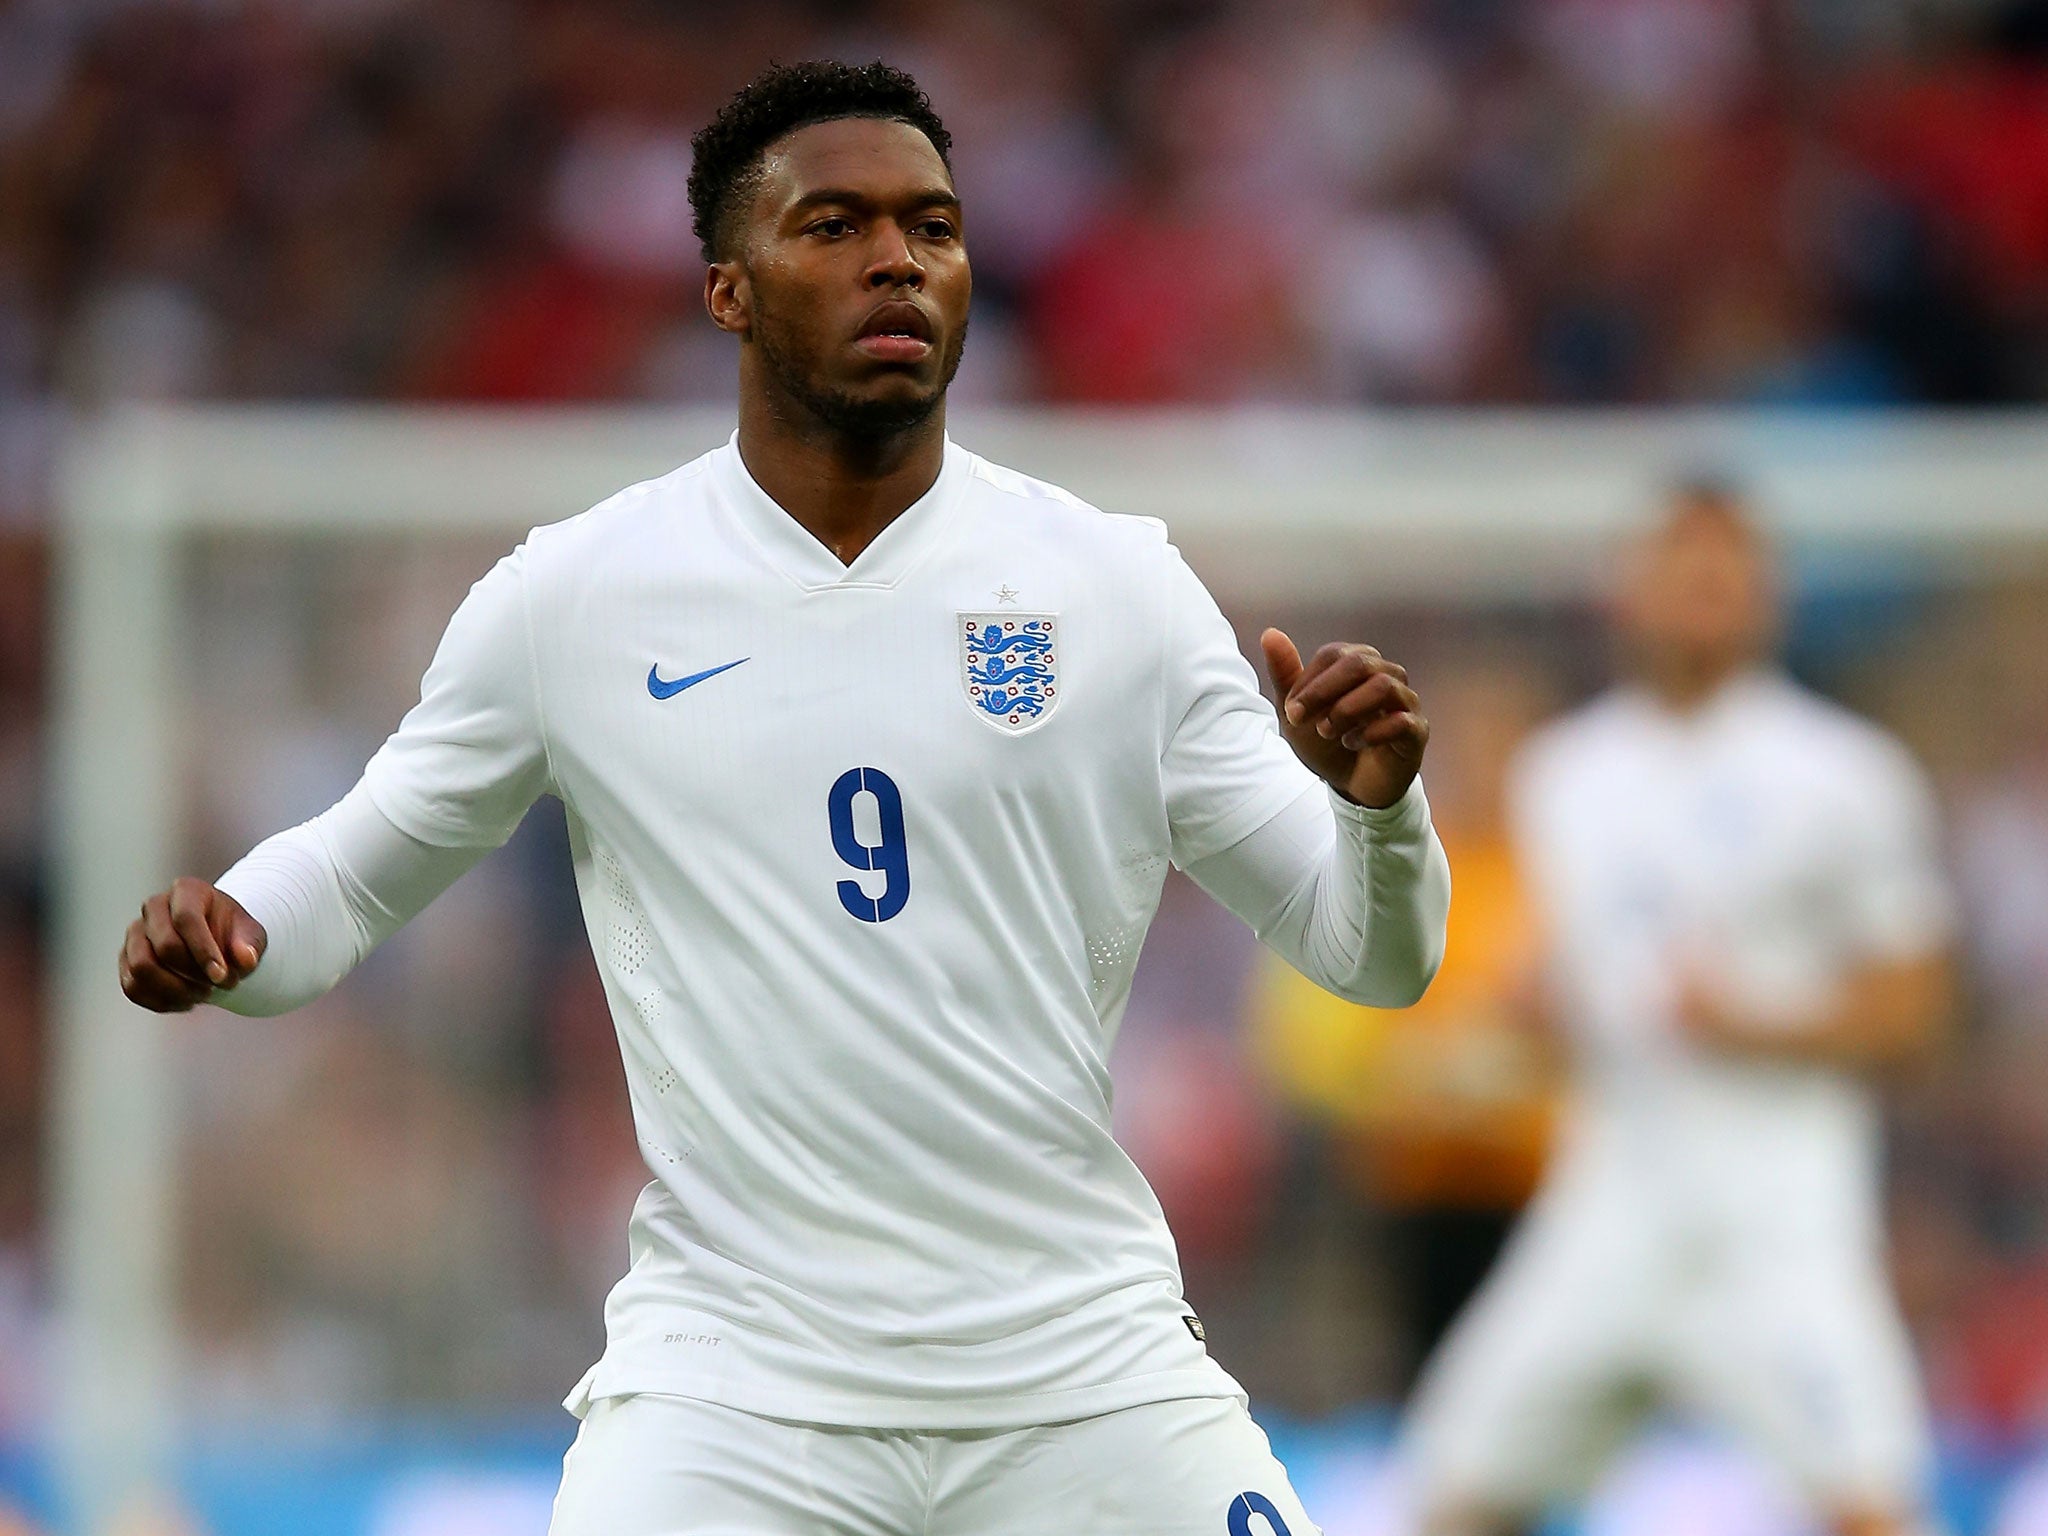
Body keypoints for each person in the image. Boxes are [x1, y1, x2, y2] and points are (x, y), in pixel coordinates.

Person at [117, 62, 1451, 1536]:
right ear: (729, 293)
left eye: (932, 227)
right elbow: (358, 874)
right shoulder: (580, 595)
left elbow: (1373, 957)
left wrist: (1379, 816)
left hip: (1078, 1367)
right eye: (833, 225)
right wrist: (235, 933)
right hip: (738, 1392)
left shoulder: (1113, 587)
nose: (897, 258)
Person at [1402, 485, 1956, 1536]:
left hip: (1775, 1213)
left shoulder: (1843, 775)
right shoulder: (1563, 773)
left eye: (1724, 568)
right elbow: (1587, 990)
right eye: (1677, 566)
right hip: (1607, 1201)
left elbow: (1915, 1012)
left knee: (1871, 1505)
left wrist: (1752, 1024)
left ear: (1764, 595)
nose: (1699, 591)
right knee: (1452, 1490)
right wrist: (1521, 1021)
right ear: (1629, 589)